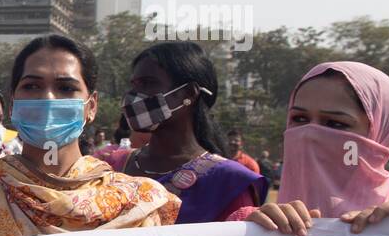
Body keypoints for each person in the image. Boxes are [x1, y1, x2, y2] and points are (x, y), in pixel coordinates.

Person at [0, 34, 179, 236]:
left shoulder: (139, 201)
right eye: (32, 86)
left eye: (65, 88)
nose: (48, 98)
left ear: (91, 106)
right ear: (13, 103)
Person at [234, 62, 389, 236]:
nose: (309, 134)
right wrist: (243, 230)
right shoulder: (259, 224)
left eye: (335, 123)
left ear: (382, 133)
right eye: (299, 119)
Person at [107, 42, 268, 222]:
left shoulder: (229, 182)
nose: (134, 96)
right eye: (135, 85)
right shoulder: (112, 166)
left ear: (189, 94)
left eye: (148, 83)